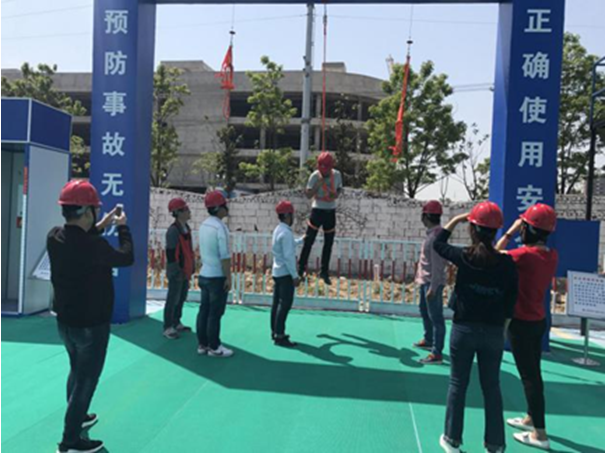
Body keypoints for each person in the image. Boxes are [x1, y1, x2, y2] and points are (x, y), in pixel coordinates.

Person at [48, 180, 134, 454]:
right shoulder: (94, 246)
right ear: (87, 211)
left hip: (65, 322)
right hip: (91, 325)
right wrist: (122, 227)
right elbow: (126, 257)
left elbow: (79, 240)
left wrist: (102, 225)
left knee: (76, 370)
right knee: (86, 380)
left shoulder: (54, 237)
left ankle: (79, 415)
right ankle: (70, 441)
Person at [433, 202, 519, 454]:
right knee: (491, 387)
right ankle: (495, 444)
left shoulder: (465, 257)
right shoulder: (507, 263)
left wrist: (456, 219)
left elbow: (438, 244)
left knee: (458, 384)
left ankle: (452, 439)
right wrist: (502, 331)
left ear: (472, 229)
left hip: (464, 330)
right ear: (495, 231)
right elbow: (510, 302)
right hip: (493, 332)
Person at [496, 204, 559, 451]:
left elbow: (493, 254)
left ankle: (540, 434)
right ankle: (531, 418)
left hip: (520, 323)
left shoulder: (522, 256)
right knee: (534, 373)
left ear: (530, 230)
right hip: (538, 321)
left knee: (529, 378)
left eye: (524, 227)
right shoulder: (551, 255)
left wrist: (509, 232)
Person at [197, 190, 233, 358]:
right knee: (215, 313)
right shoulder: (220, 227)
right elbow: (224, 256)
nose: (227, 208)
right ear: (218, 208)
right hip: (216, 276)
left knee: (204, 310)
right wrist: (228, 278)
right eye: (225, 205)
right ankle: (214, 346)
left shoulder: (203, 225)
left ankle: (202, 344)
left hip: (204, 274)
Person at [298, 152, 343, 285]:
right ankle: (301, 269)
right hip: (317, 211)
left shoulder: (337, 175)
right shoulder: (314, 176)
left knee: (328, 243)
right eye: (322, 168)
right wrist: (318, 185)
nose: (324, 171)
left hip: (330, 211)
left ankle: (324, 272)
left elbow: (339, 189)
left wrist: (335, 195)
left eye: (326, 169)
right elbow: (308, 195)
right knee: (309, 240)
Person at [414, 200, 448, 365]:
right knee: (424, 311)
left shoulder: (435, 237)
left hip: (431, 283)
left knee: (436, 318)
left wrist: (433, 287)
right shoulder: (433, 234)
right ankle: (428, 339)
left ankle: (437, 352)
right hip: (425, 281)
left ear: (425, 216)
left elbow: (438, 265)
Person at [271, 201, 304, 347]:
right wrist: (295, 276)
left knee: (276, 304)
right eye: (292, 215)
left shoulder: (279, 230)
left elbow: (287, 245)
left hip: (277, 272)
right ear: (287, 216)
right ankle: (280, 335)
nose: (293, 218)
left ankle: (275, 331)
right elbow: (289, 256)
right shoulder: (285, 233)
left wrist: (301, 240)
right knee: (284, 305)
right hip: (285, 273)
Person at [163, 198, 195, 340]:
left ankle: (176, 322)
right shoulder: (173, 231)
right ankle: (168, 326)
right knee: (173, 298)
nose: (189, 211)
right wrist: (176, 270)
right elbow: (171, 253)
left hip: (185, 269)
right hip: (177, 270)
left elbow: (189, 250)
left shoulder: (186, 228)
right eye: (186, 209)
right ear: (178, 212)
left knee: (181, 297)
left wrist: (191, 265)